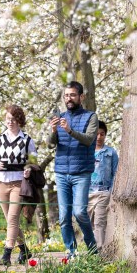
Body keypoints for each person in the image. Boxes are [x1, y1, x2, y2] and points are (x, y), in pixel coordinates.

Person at [47, 81, 99, 257]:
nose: (69, 98)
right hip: (62, 173)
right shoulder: (60, 117)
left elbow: (89, 139)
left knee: (79, 212)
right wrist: (53, 130)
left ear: (81, 97)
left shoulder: (91, 117)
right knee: (63, 217)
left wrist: (69, 131)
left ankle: (92, 248)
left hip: (81, 173)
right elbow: (50, 145)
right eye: (67, 95)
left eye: (73, 95)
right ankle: (72, 253)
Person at [0, 104, 38, 265]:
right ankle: (24, 250)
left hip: (19, 182)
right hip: (1, 182)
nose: (10, 122)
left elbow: (33, 162)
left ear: (19, 120)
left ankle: (6, 254)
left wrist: (29, 169)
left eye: (13, 119)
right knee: (11, 220)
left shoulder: (27, 140)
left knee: (13, 217)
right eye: (8, 119)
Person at [88, 120, 118, 247]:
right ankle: (91, 249)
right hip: (87, 193)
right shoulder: (86, 152)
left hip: (103, 192)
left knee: (100, 222)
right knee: (87, 223)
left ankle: (99, 253)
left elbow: (116, 172)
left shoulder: (111, 152)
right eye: (96, 134)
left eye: (102, 134)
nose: (99, 137)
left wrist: (110, 191)